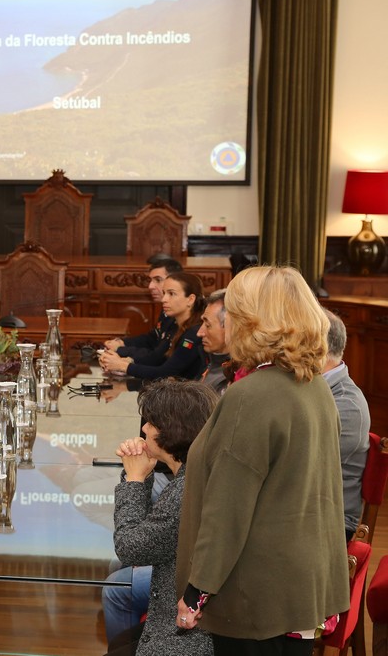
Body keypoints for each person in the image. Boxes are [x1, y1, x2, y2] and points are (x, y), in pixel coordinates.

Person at [175, 266, 349, 654]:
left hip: (255, 596)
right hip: (299, 588)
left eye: (235, 312)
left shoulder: (253, 395)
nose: (230, 322)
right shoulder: (313, 385)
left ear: (255, 321)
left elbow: (228, 508)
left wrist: (197, 591)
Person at [108, 379, 217, 656]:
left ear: (172, 431)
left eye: (151, 423)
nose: (144, 428)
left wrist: (134, 479)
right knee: (118, 644)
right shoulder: (197, 472)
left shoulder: (186, 489)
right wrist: (140, 476)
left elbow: (131, 548)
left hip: (182, 638)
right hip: (179, 621)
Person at [101, 272, 206, 381]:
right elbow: (157, 358)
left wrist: (122, 366)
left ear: (190, 299)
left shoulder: (194, 333)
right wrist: (123, 361)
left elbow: (165, 372)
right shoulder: (174, 324)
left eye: (171, 294)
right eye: (164, 293)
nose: (164, 299)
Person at [323, 308, 371, 541]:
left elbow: (304, 464)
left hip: (331, 521)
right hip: (303, 508)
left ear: (318, 348)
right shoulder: (310, 387)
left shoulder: (347, 405)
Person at [104, 257, 183, 364]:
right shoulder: (166, 307)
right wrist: (122, 343)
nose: (150, 286)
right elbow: (153, 338)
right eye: (150, 280)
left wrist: (121, 351)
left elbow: (159, 356)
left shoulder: (179, 314)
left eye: (158, 280)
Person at [197, 289, 232, 395]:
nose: (199, 333)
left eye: (208, 325)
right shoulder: (209, 359)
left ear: (230, 327)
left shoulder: (233, 377)